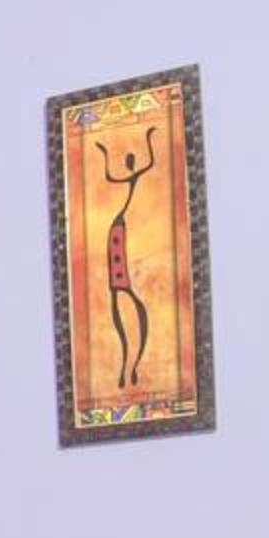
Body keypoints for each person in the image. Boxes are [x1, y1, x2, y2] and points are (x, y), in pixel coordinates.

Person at [94, 127, 159, 387]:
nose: (130, 162)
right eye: (130, 160)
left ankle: (133, 366)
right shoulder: (124, 179)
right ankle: (125, 367)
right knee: (118, 301)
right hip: (117, 232)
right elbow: (110, 175)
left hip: (125, 234)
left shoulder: (138, 175)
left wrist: (149, 138)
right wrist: (104, 153)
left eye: (131, 159)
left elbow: (150, 161)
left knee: (134, 302)